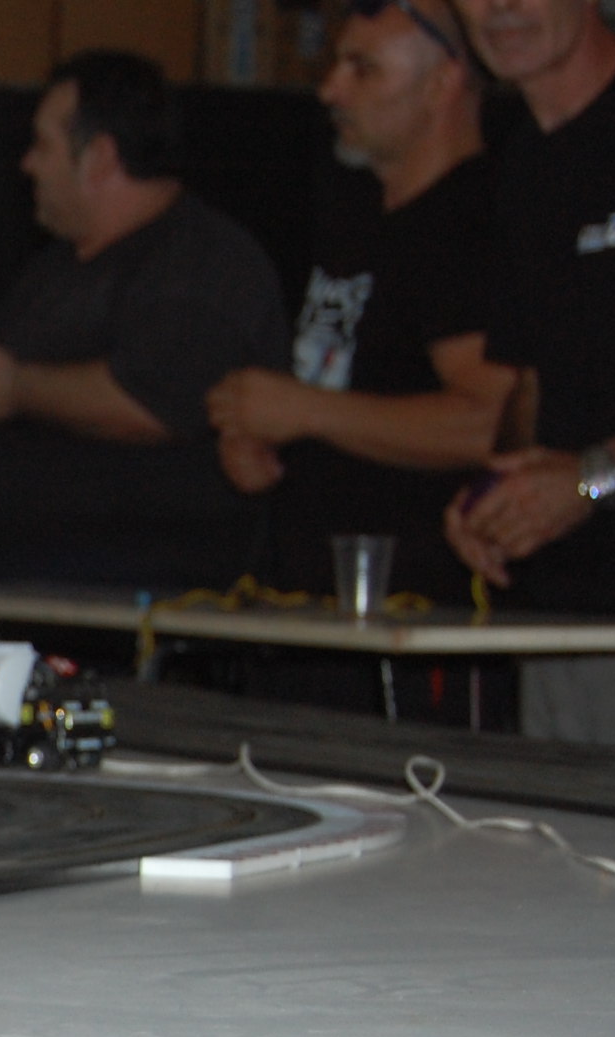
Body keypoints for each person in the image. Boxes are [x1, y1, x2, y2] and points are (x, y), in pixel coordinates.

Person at [0, 51, 292, 586]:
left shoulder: (201, 262)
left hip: (119, 584)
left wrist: (13, 389)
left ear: (98, 157)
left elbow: (155, 403)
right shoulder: (54, 270)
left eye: (42, 145)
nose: (28, 163)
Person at [205, 0, 514, 608]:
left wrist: (306, 411)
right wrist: (262, 435)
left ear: (442, 83)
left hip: (420, 602)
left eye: (363, 70)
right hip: (322, 591)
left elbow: (489, 421)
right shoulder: (357, 219)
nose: (331, 91)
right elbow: (345, 390)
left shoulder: (471, 223)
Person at [443, 0, 615, 740]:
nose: (502, 7)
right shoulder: (523, 160)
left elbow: (583, 475)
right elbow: (534, 377)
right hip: (565, 619)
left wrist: (592, 480)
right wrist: (497, 500)